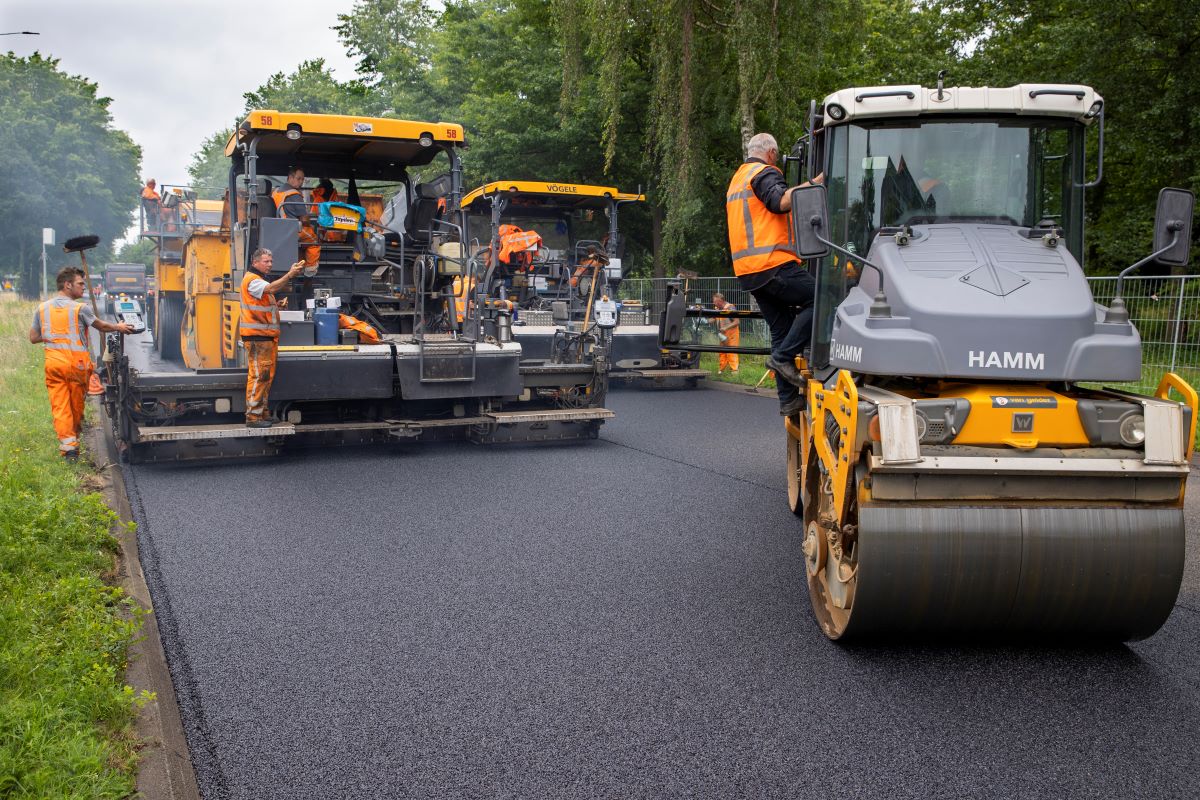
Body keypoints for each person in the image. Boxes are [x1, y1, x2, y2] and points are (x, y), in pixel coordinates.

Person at [726, 132, 821, 416]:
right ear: (770, 153)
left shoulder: (737, 179)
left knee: (781, 329)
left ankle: (789, 401)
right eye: (776, 157)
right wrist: (818, 183)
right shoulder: (763, 173)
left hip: (750, 272)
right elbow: (780, 202)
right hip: (773, 264)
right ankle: (782, 358)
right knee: (822, 300)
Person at [29, 267, 133, 460]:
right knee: (75, 407)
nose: (84, 288)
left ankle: (69, 448)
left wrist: (55, 335)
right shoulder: (80, 308)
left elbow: (34, 337)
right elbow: (100, 325)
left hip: (54, 365)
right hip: (76, 366)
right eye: (80, 284)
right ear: (67, 285)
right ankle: (72, 443)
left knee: (60, 406)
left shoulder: (42, 308)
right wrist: (119, 327)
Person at [240, 248, 305, 428]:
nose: (269, 264)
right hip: (257, 337)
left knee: (266, 377)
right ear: (255, 263)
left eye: (270, 261)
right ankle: (253, 417)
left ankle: (262, 413)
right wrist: (290, 274)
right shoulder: (252, 280)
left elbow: (261, 304)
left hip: (264, 337)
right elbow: (272, 288)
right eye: (265, 261)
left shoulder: (257, 280)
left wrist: (276, 306)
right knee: (259, 376)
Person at [272, 168, 321, 274]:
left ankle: (301, 262)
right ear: (290, 178)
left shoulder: (276, 191)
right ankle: (310, 270)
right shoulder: (294, 194)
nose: (301, 182)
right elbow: (304, 219)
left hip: (280, 228)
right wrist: (311, 223)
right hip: (293, 229)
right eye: (298, 179)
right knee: (314, 241)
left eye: (302, 179)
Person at [711, 292, 740, 373]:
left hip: (732, 334)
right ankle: (722, 369)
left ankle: (734, 370)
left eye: (716, 302)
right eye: (714, 301)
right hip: (722, 335)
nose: (714, 303)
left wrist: (726, 327)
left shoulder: (730, 308)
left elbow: (737, 321)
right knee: (722, 352)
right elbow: (713, 319)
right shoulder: (717, 309)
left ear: (721, 301)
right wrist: (704, 321)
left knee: (732, 352)